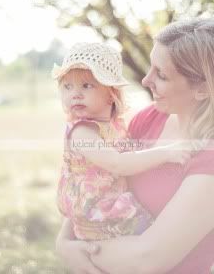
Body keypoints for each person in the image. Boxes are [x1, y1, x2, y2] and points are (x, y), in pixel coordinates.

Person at [56, 20, 214, 273]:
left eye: (161, 75)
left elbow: (146, 259)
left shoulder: (209, 156)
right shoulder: (150, 118)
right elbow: (99, 178)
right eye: (151, 66)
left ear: (203, 89)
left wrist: (78, 254)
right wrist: (64, 242)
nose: (145, 79)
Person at [53, 43, 193, 242]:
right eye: (67, 86)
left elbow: (131, 152)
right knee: (152, 238)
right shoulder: (82, 131)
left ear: (111, 94)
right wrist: (165, 153)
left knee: (151, 236)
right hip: (97, 213)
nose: (75, 94)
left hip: (111, 207)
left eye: (86, 85)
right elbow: (117, 163)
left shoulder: (113, 126)